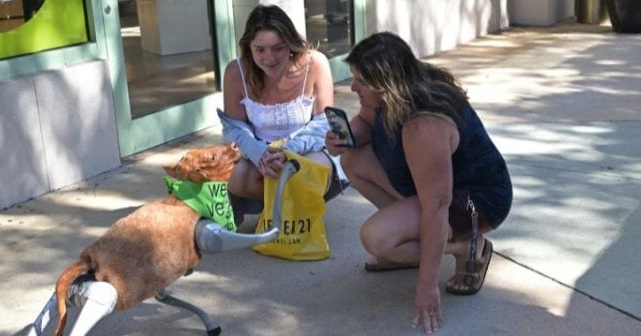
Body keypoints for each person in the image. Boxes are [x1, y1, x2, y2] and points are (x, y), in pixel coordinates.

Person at [325, 32, 512, 334]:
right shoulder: (398, 88)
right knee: (353, 161)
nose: (353, 86)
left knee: (377, 239)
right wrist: (345, 140)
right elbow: (367, 122)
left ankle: (466, 246)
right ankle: (416, 242)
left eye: (360, 80)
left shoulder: (424, 126)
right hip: (435, 187)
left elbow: (437, 207)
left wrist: (427, 288)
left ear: (387, 84)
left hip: (477, 202)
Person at [217, 4, 345, 226]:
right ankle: (285, 207)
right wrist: (259, 153)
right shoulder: (234, 72)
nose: (270, 58)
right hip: (260, 153)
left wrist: (289, 152)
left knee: (314, 172)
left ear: (291, 43)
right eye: (260, 49)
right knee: (232, 176)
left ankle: (289, 212)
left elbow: (323, 124)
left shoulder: (316, 63)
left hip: (305, 149)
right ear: (249, 48)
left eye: (278, 48)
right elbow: (234, 129)